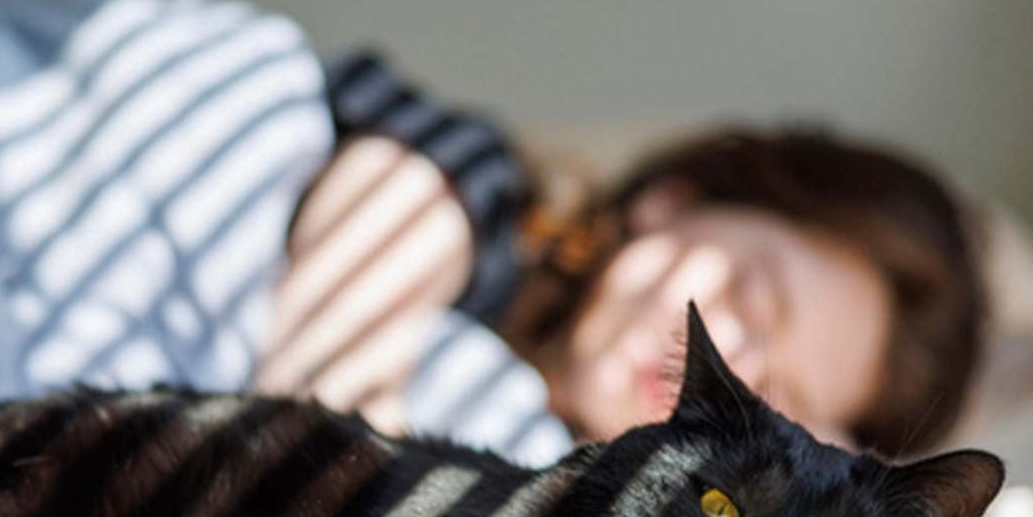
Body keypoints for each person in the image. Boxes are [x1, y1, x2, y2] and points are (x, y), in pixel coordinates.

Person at [260, 52, 986, 458]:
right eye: (750, 294)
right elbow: (316, 458)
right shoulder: (473, 190)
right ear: (675, 202)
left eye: (782, 398)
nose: (727, 361)